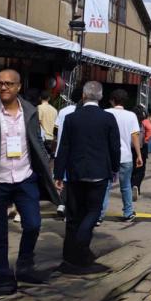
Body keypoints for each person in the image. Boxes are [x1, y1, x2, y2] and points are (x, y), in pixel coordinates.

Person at [0, 69, 59, 298]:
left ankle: (25, 266)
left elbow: (36, 141)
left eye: (8, 84)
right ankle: (3, 279)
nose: (3, 87)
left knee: (34, 224)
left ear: (18, 87)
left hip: (25, 178)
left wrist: (47, 169)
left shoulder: (29, 110)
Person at [52, 81, 119, 275]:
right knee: (93, 209)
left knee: (73, 213)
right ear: (100, 97)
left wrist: (58, 173)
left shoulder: (72, 118)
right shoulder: (108, 118)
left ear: (83, 96)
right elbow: (114, 147)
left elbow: (63, 146)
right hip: (99, 172)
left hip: (75, 172)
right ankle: (82, 241)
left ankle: (70, 254)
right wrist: (114, 168)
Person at [101, 90, 142, 224]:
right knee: (125, 186)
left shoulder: (105, 113)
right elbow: (135, 136)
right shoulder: (131, 115)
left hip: (107, 156)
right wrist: (139, 155)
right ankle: (128, 213)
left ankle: (99, 215)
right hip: (126, 156)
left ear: (112, 100)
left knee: (105, 186)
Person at [53, 86, 82, 218]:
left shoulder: (63, 111)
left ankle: (61, 204)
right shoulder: (81, 111)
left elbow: (55, 130)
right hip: (76, 152)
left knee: (62, 179)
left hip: (61, 150)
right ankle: (68, 208)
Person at [131, 106, 151, 201]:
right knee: (141, 169)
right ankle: (136, 186)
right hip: (142, 147)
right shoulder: (144, 121)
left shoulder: (129, 120)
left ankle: (131, 186)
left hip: (130, 147)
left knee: (130, 169)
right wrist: (146, 139)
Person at [32, 89, 58, 158]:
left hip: (42, 139)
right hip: (51, 139)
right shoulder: (54, 110)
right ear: (49, 98)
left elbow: (38, 121)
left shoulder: (39, 107)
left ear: (40, 98)